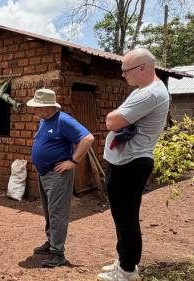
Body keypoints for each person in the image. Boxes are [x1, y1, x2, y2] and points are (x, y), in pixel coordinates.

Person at [97, 48, 169, 281]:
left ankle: (128, 271)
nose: (123, 75)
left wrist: (114, 117)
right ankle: (123, 261)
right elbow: (117, 121)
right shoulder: (143, 90)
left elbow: (112, 121)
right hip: (125, 161)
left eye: (125, 70)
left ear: (143, 68)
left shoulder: (151, 94)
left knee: (127, 219)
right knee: (121, 217)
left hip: (130, 163)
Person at [27, 88, 94, 267]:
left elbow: (87, 138)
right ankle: (51, 242)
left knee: (58, 213)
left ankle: (58, 253)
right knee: (49, 211)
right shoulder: (44, 120)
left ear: (50, 107)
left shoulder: (63, 120)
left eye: (39, 107)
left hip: (58, 175)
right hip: (44, 173)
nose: (36, 111)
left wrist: (72, 161)